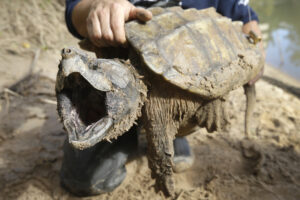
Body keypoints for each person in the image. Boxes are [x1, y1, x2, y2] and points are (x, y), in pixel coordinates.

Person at [62, 0, 264, 196]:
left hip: (187, 72)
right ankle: (124, 125)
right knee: (82, 178)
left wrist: (255, 52)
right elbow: (75, 9)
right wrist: (96, 7)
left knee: (161, 123)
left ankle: (178, 131)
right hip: (122, 45)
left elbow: (245, 19)